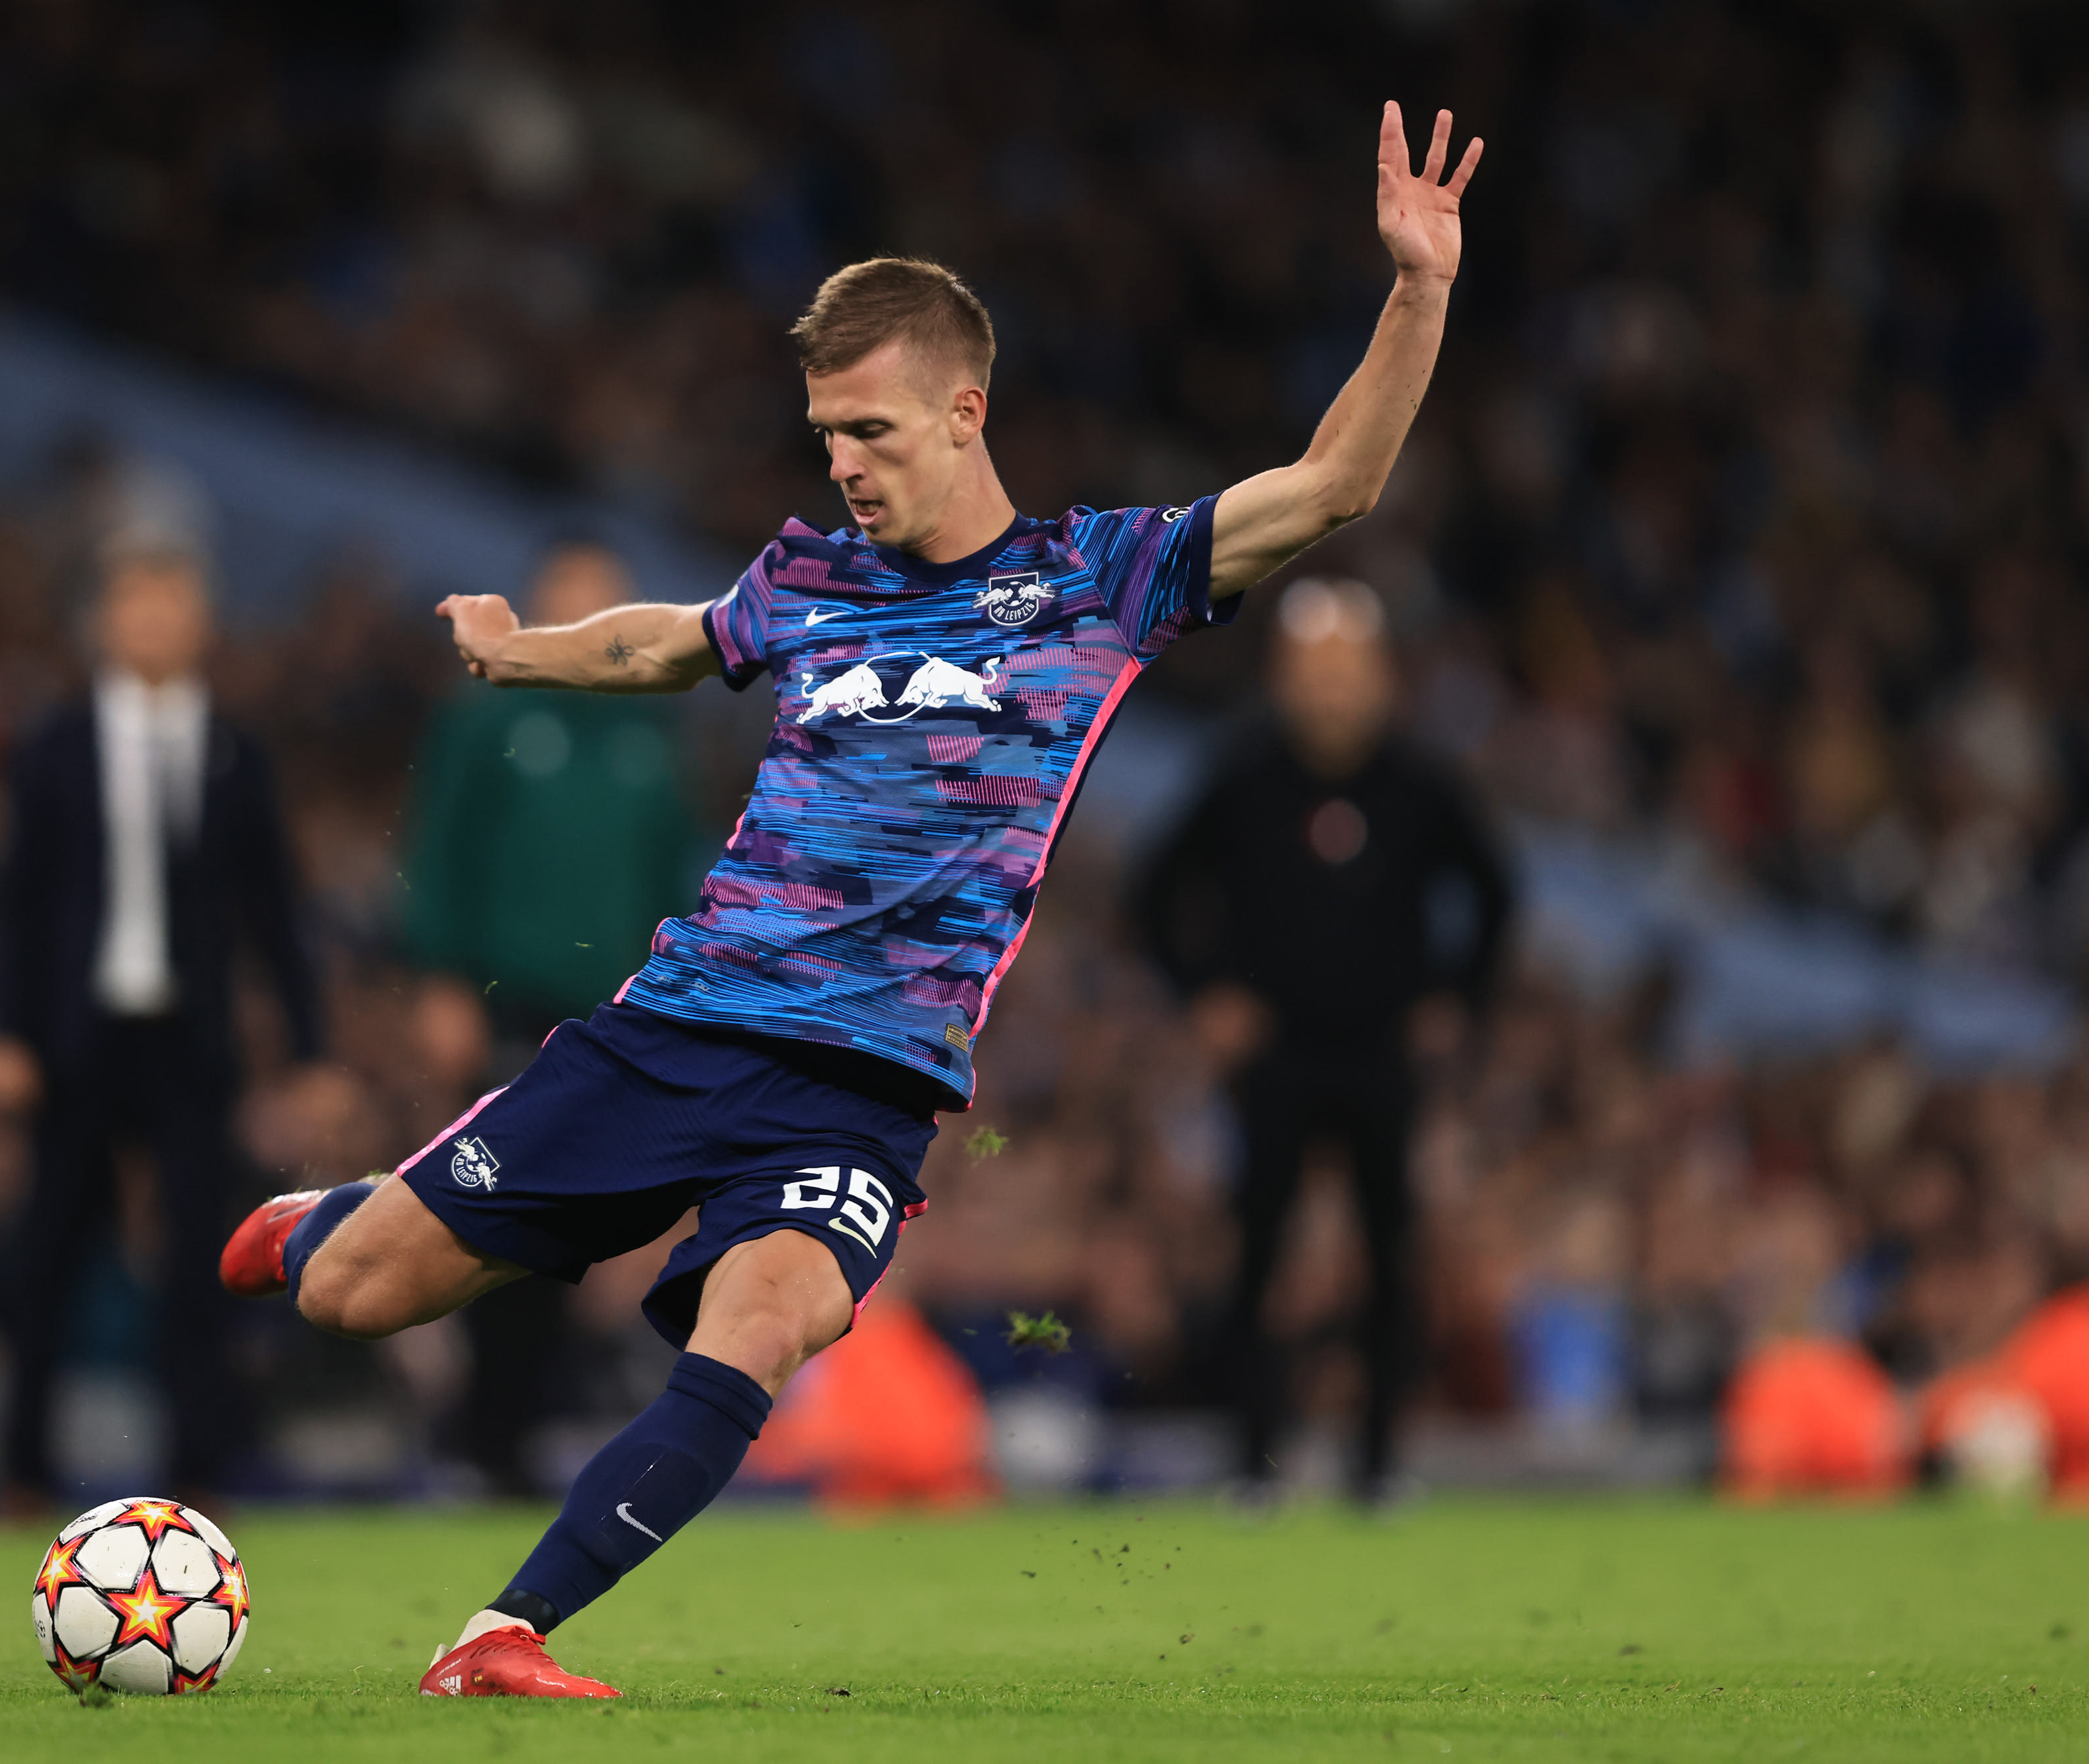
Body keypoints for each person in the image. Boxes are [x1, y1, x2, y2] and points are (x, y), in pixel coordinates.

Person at [223, 104, 1483, 1697]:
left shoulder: (1102, 578)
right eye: (825, 433)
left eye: (871, 432)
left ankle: (501, 1632)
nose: (842, 462)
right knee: (353, 1296)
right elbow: (669, 642)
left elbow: (1332, 486)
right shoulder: (806, 579)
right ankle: (333, 1215)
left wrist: (1416, 289)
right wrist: (514, 648)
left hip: (869, 1085)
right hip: (676, 1027)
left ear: (965, 411)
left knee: (755, 1327)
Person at [1133, 578, 1514, 1505]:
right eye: (1316, 670)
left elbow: (1496, 894)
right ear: (1284, 677)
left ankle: (1376, 1464)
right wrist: (1206, 993)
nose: (1334, 689)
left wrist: (1455, 998)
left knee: (1390, 1256)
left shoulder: (1419, 780)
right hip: (1278, 1057)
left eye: (1350, 669)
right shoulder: (1246, 771)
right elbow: (1152, 892)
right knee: (1259, 1256)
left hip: (1381, 1051)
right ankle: (1249, 1461)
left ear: (1383, 677)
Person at [0, 537, 322, 1509]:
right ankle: (20, 1468)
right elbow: (19, 902)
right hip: (74, 1038)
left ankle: (198, 1467)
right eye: (137, 603)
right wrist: (3, 1030)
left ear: (200, 621)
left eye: (172, 604)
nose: (155, 622)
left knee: (196, 1259)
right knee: (49, 1251)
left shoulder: (233, 748)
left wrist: (309, 1045)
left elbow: (274, 909)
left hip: (188, 1039)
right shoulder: (52, 743)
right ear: (103, 619)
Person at [403, 538, 705, 1493]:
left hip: (613, 1012)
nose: (589, 615)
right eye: (571, 596)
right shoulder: (485, 712)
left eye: (605, 599)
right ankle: (483, 1429)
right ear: (537, 608)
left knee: (576, 1225)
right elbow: (439, 849)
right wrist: (440, 979)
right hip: (506, 996)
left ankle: (519, 1424)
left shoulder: (649, 730)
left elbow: (671, 875)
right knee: (491, 1210)